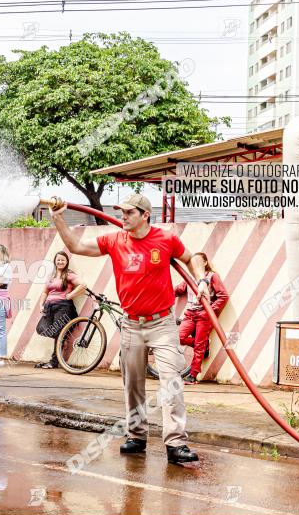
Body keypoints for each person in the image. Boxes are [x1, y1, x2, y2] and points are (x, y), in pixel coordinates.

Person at [49, 193, 207, 465]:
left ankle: (176, 444)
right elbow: (75, 245)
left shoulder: (165, 238)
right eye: (121, 212)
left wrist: (201, 280)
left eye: (129, 212)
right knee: (133, 384)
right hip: (132, 322)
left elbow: (191, 257)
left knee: (171, 382)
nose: (123, 216)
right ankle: (137, 436)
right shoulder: (114, 240)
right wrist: (58, 218)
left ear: (145, 215)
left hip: (162, 322)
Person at [174, 252, 228, 385]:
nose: (195, 265)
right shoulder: (190, 277)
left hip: (204, 316)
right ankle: (204, 346)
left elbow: (223, 296)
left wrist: (210, 311)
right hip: (190, 314)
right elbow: (179, 289)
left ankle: (193, 375)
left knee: (199, 345)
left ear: (205, 262)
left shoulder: (212, 276)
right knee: (179, 337)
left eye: (198, 262)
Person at [35, 250, 87, 369]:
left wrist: (70, 295)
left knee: (59, 332)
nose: (60, 261)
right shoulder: (51, 276)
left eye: (63, 260)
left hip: (63, 307)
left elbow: (83, 285)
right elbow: (44, 292)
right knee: (41, 329)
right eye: (58, 259)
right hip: (49, 307)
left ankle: (54, 361)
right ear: (55, 261)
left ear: (66, 262)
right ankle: (63, 339)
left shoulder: (69, 274)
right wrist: (41, 305)